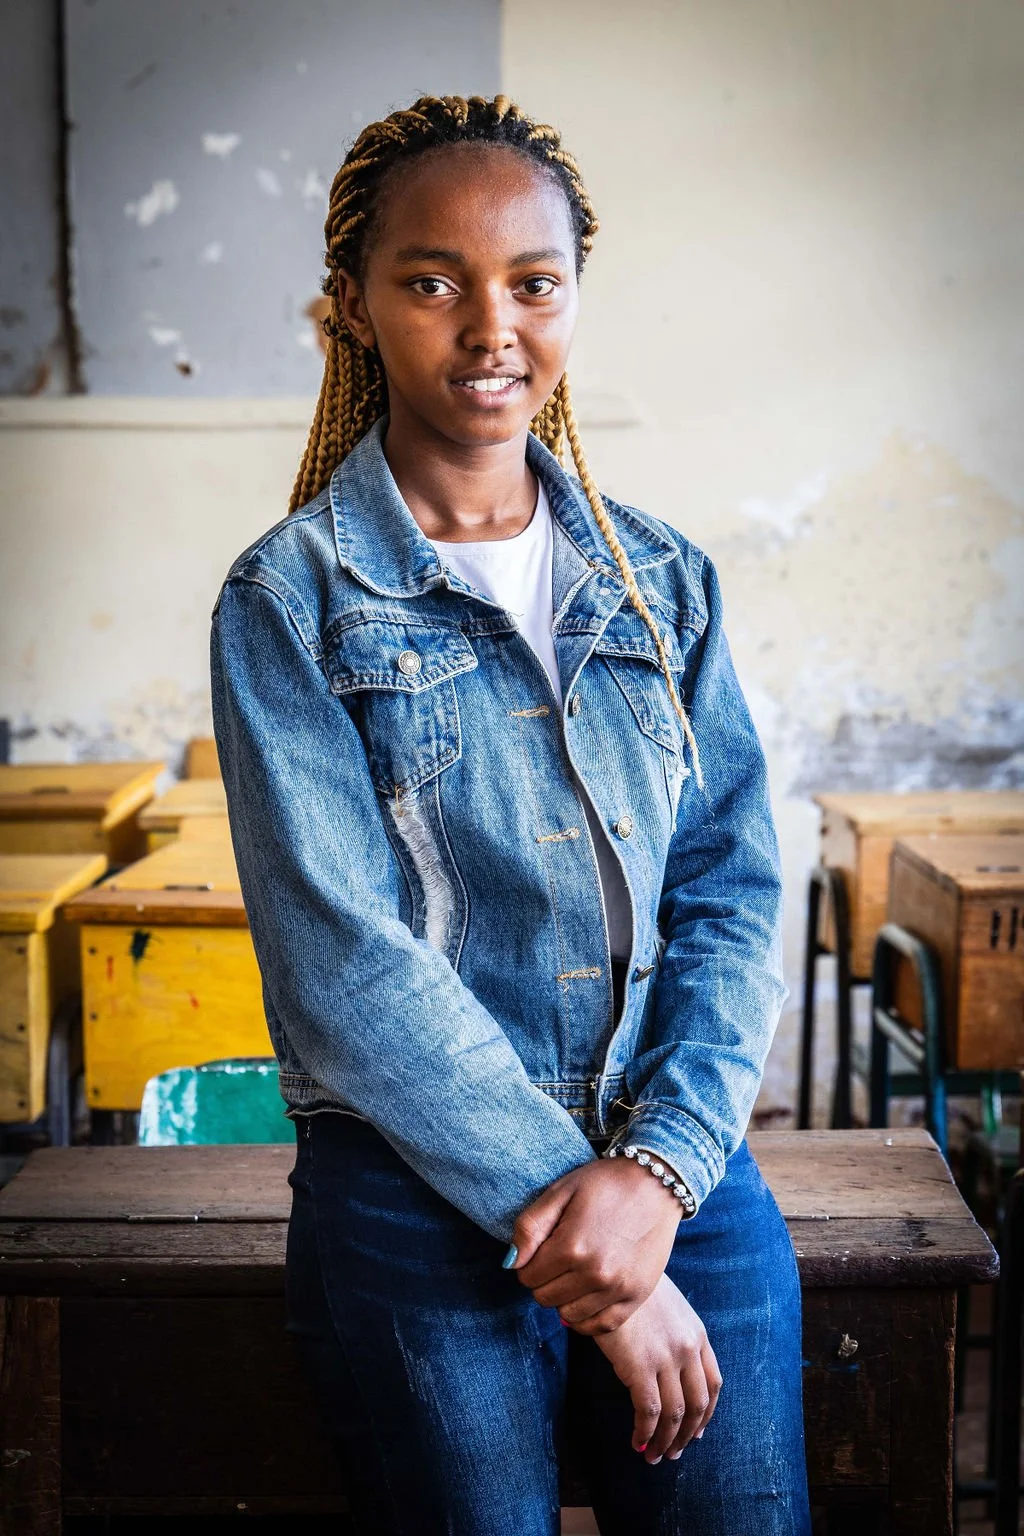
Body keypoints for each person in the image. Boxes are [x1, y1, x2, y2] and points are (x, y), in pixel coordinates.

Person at [210, 94, 811, 1536]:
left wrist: (658, 1180)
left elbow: (730, 891)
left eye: (532, 283)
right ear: (350, 309)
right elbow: (343, 966)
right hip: (415, 1187)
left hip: (674, 1161)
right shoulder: (288, 599)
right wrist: (585, 1227)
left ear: (573, 300)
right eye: (432, 281)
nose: (491, 328)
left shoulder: (663, 581)